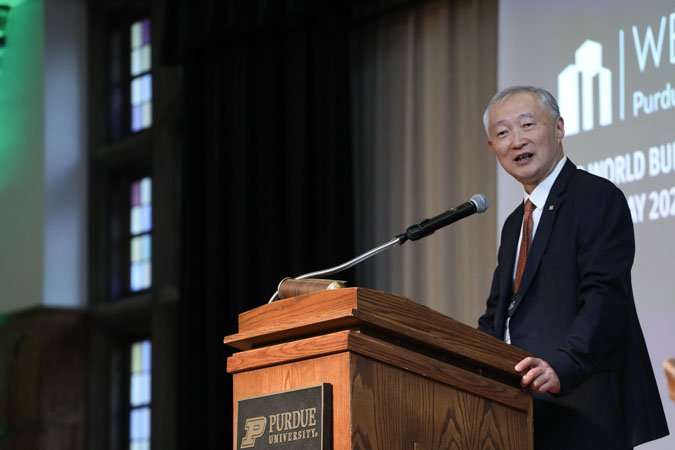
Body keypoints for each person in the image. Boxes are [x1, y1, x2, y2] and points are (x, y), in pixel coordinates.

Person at [477, 85, 669, 449]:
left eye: (527, 125)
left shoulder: (596, 197)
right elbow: (496, 317)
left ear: (559, 128)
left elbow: (605, 298)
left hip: (584, 405)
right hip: (521, 413)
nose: (516, 141)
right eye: (503, 133)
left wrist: (563, 366)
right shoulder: (515, 223)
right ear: (493, 147)